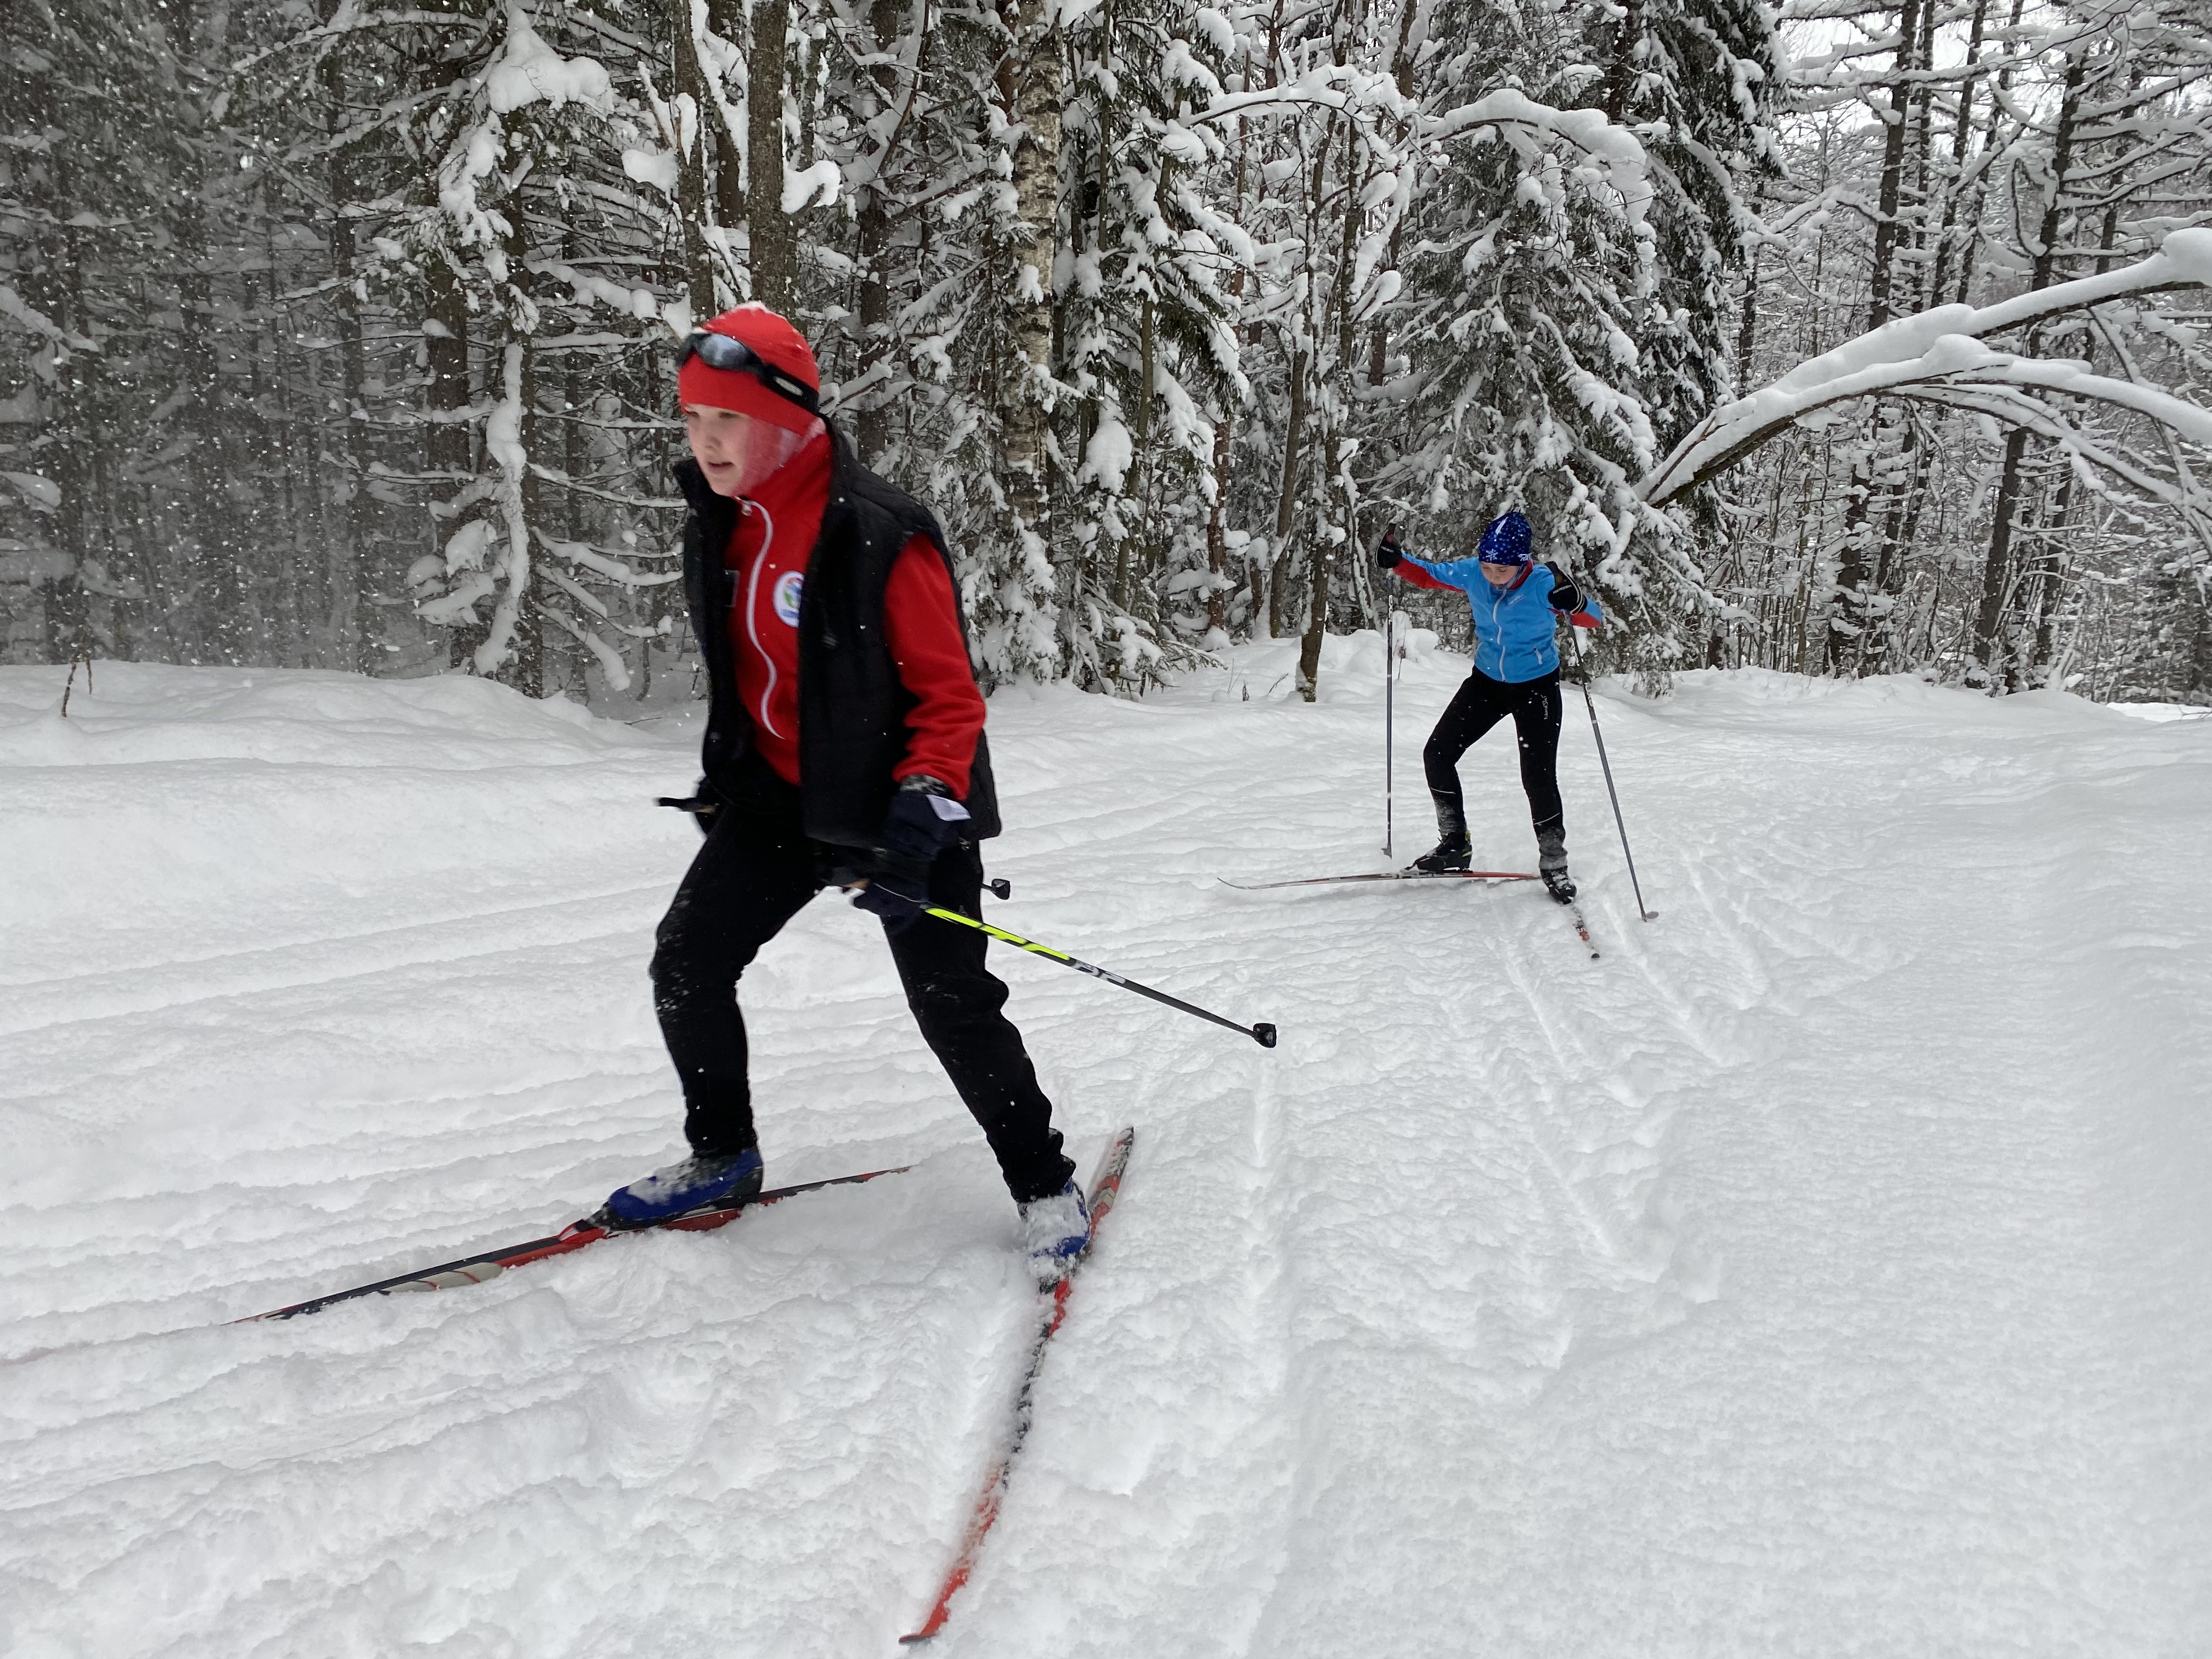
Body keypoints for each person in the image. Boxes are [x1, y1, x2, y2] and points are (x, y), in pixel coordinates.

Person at [602, 303, 1088, 1274]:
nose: (703, 441)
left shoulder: (879, 530)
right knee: (686, 962)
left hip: (901, 804)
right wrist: (728, 776)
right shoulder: (723, 522)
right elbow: (754, 674)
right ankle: (723, 1152)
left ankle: (1044, 1183)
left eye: (724, 420)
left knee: (951, 1001)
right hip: (781, 800)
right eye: (692, 419)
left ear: (783, 416)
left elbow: (949, 698)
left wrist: (920, 801)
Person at [1375, 511, 1602, 903]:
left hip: (1536, 688)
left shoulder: (1544, 584)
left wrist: (1576, 601)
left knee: (1538, 776)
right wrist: (1398, 562)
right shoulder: (1473, 573)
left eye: (1502, 569)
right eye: (1487, 567)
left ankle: (1554, 862)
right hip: (1487, 684)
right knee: (1438, 754)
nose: (1493, 575)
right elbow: (1429, 575)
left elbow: (1591, 618)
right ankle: (1454, 846)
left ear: (1522, 562)